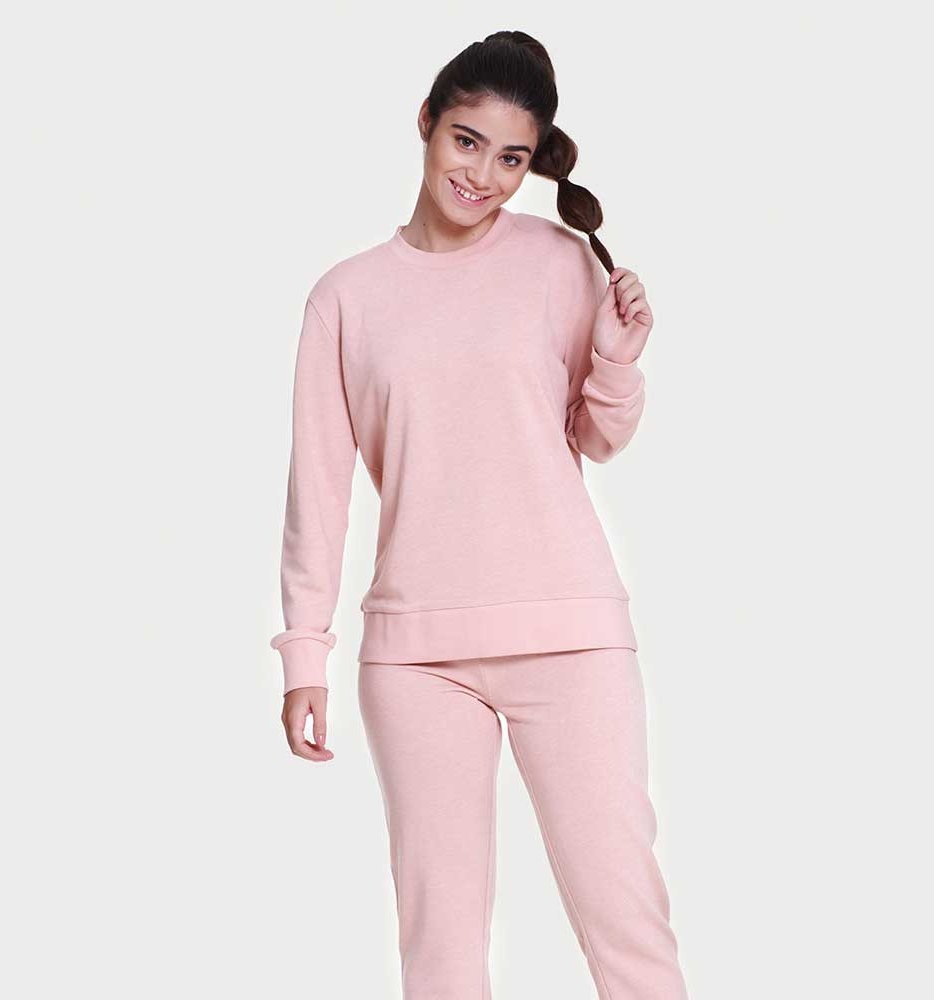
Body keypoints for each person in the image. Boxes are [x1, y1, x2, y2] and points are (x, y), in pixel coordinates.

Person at [270, 29, 690, 1000]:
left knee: (627, 927)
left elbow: (597, 437)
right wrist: (304, 654)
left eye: (510, 158)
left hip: (570, 634)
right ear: (426, 122)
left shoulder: (559, 262)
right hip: (416, 657)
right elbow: (317, 490)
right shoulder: (345, 298)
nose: (483, 176)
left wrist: (617, 356)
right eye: (466, 142)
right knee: (442, 955)